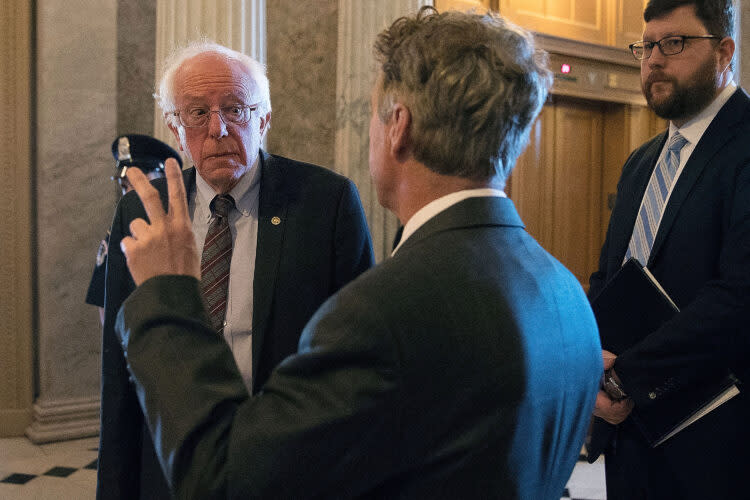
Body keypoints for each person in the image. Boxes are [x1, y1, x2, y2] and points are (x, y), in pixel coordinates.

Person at [110, 8, 602, 498]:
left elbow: (225, 480)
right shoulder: (566, 293)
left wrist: (167, 296)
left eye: (371, 112)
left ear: (398, 127)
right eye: (198, 112)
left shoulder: (380, 313)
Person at [96, 43, 375, 499]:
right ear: (175, 127)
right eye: (197, 113)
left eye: (235, 109)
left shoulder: (328, 203)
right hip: (168, 461)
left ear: (264, 119)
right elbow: (119, 369)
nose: (218, 128)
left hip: (286, 465)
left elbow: (361, 358)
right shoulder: (144, 211)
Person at [587, 0, 750, 498]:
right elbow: (609, 280)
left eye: (674, 44)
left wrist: (626, 379)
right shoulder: (642, 162)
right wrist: (590, 361)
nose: (653, 60)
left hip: (716, 444)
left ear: (725, 52)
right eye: (646, 46)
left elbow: (738, 297)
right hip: (632, 439)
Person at [85, 134, 180, 325]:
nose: (128, 194)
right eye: (124, 186)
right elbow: (104, 302)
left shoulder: (180, 228)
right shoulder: (118, 233)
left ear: (163, 180)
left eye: (137, 184)